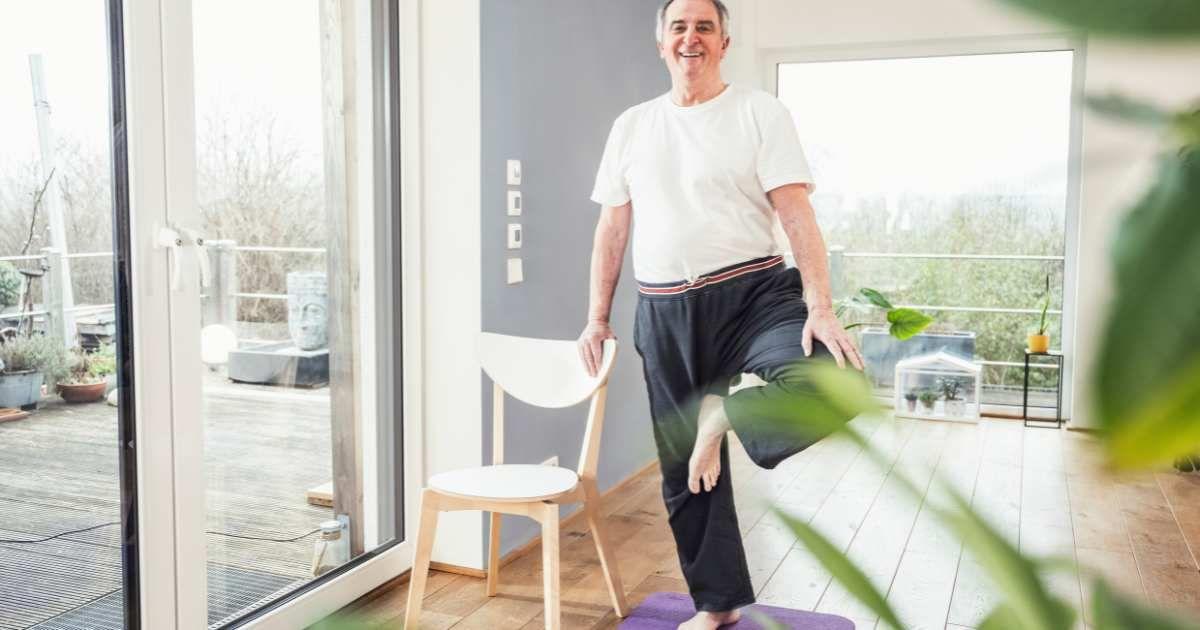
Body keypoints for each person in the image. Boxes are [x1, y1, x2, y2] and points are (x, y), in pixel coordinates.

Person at [575, 0, 865, 628]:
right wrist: (597, 318)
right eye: (678, 27)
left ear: (724, 42)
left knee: (836, 382)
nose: (691, 38)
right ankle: (718, 605)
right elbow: (612, 228)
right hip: (664, 309)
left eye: (704, 27)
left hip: (755, 295)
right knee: (683, 466)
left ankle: (724, 413)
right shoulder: (632, 126)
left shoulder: (759, 112)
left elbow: (796, 212)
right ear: (661, 43)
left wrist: (821, 306)